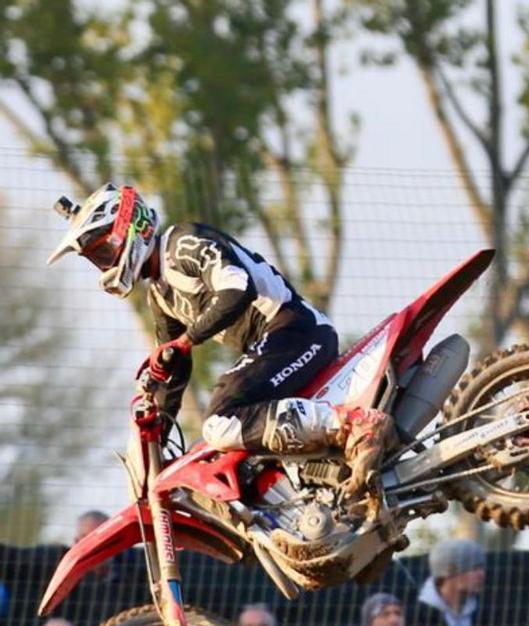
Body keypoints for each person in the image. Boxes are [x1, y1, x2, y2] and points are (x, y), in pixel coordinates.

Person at [47, 184, 396, 502]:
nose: (105, 264)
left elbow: (236, 288)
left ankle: (355, 425)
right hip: (278, 346)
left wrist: (187, 338)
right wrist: (156, 442)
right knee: (231, 447)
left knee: (220, 420)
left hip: (295, 331)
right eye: (97, 259)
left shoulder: (183, 243)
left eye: (104, 251)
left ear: (130, 226)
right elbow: (175, 369)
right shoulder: (160, 295)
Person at [409, 538, 489, 626]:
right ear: (450, 570)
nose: (481, 574)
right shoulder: (416, 619)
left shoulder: (481, 616)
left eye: (481, 568)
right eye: (474, 568)